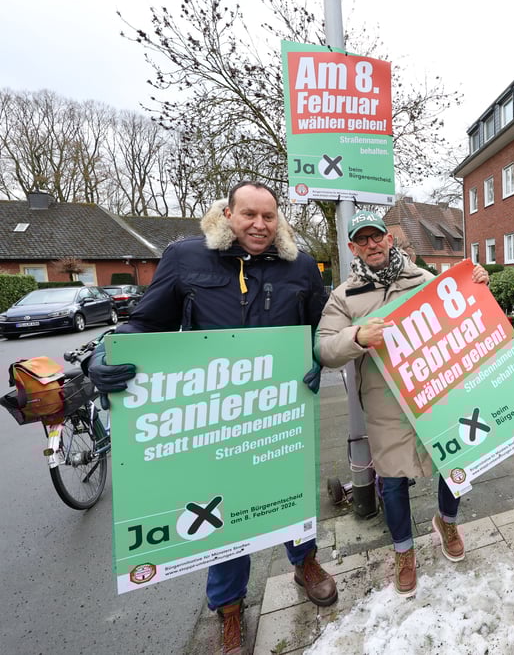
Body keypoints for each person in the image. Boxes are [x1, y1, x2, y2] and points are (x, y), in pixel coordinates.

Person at [87, 181, 333, 655]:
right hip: (214, 413)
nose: (260, 226)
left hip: (281, 407)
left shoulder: (299, 265)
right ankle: (229, 608)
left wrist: (319, 359)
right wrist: (104, 350)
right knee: (222, 506)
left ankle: (306, 563)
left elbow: (323, 326)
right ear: (228, 214)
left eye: (269, 216)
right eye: (250, 215)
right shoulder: (185, 257)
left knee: (288, 491)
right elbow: (146, 321)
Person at [316, 210, 491, 598]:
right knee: (392, 480)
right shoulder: (344, 297)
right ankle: (403, 552)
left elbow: (464, 309)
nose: (371, 244)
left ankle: (446, 521)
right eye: (362, 240)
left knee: (454, 462)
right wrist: (357, 336)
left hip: (436, 394)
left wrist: (477, 283)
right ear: (352, 248)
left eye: (376, 236)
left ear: (389, 239)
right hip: (384, 405)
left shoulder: (426, 281)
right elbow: (324, 349)